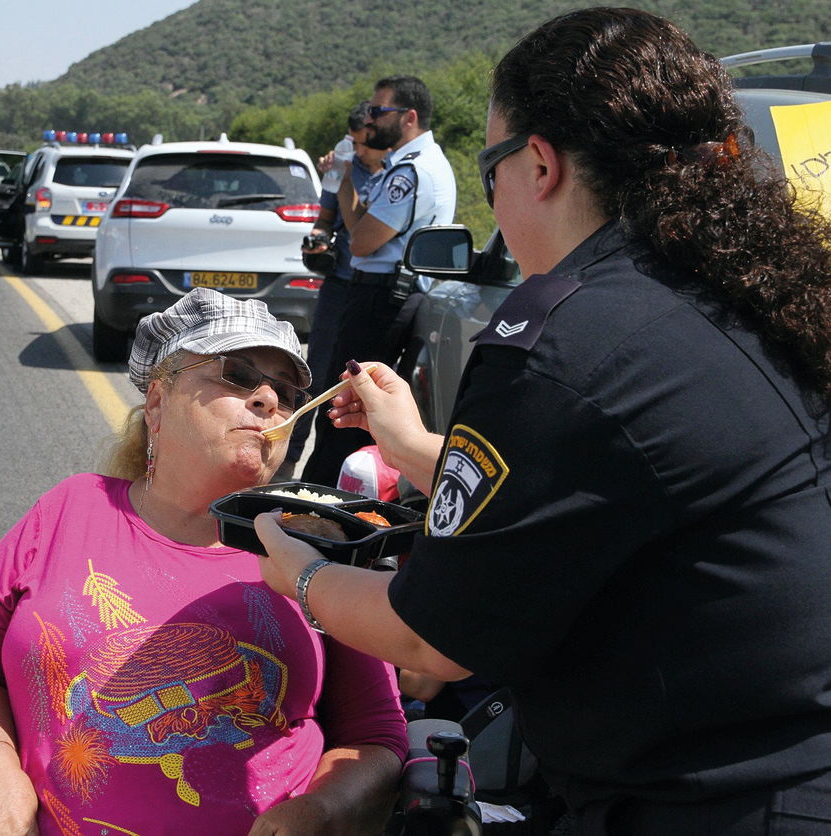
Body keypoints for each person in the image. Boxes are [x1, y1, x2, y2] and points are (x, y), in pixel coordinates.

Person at [253, 7, 831, 835]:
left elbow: (429, 638)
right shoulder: (733, 292)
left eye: (491, 172)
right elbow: (596, 487)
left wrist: (298, 570)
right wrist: (413, 445)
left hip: (712, 802)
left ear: (541, 164)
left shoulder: (568, 338)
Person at [0, 287, 406, 836]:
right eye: (237, 374)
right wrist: (2, 769)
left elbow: (376, 735)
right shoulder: (68, 510)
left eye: (284, 393)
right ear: (159, 402)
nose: (267, 400)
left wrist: (323, 810)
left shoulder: (323, 550)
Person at [300, 75, 456, 487]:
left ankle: (320, 502)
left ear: (408, 118)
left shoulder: (412, 172)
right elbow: (359, 230)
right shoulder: (406, 167)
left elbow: (364, 242)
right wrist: (349, 177)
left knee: (343, 409)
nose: (369, 119)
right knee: (347, 407)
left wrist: (350, 185)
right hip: (379, 291)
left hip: (381, 295)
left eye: (377, 111)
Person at [277, 103, 386, 481]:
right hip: (340, 285)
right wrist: (318, 242)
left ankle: (358, 470)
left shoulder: (398, 175)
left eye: (363, 144)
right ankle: (286, 460)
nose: (358, 152)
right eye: (352, 143)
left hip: (378, 289)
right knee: (315, 375)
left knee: (361, 382)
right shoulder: (342, 167)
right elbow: (325, 221)